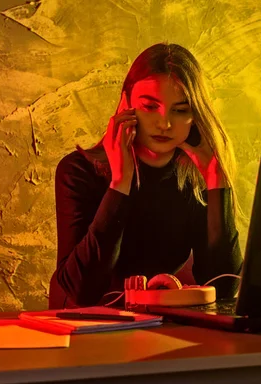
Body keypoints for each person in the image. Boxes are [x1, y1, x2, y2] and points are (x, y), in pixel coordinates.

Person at [49, 42, 243, 309]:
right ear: (126, 103)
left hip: (162, 330)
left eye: (180, 110)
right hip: (89, 333)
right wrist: (120, 182)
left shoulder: (192, 177)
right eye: (150, 106)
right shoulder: (78, 171)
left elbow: (223, 289)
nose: (164, 123)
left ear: (195, 116)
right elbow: (81, 291)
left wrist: (216, 180)